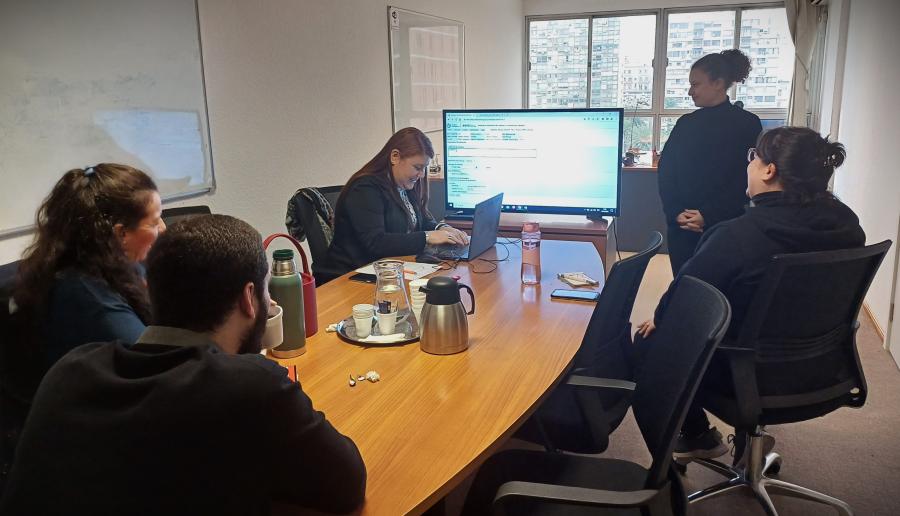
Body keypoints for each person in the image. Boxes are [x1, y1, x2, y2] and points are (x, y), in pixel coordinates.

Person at [0, 214, 367, 515]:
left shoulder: (70, 370)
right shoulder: (250, 386)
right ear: (249, 298)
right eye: (268, 290)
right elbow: (347, 486)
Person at [638, 126, 866, 459]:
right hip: (824, 369)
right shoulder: (848, 226)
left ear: (769, 170)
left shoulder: (737, 237)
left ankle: (699, 436)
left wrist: (659, 319)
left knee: (647, 343)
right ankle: (748, 444)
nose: (749, 165)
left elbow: (683, 303)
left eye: (753, 158)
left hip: (743, 374)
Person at [12, 164, 164, 368]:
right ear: (121, 234)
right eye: (154, 223)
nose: (163, 228)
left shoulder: (114, 264)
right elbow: (155, 366)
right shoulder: (89, 296)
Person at [657, 49, 763, 276]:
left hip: (724, 227)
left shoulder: (748, 124)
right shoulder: (685, 124)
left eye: (695, 85)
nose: (689, 92)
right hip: (682, 226)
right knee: (683, 287)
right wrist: (675, 212)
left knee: (718, 293)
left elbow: (744, 179)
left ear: (718, 83)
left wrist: (709, 215)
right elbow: (666, 172)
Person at [326, 127, 469, 278]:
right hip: (350, 276)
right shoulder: (365, 188)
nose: (421, 175)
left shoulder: (403, 184)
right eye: (417, 167)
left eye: (424, 168)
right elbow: (376, 242)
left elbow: (422, 220)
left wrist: (444, 229)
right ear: (395, 157)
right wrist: (428, 237)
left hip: (390, 269)